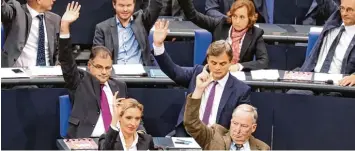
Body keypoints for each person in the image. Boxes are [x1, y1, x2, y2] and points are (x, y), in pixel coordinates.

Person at [59, 2, 145, 138]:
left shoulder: (119, 86)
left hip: (115, 142)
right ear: (89, 65)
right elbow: (65, 59)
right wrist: (64, 26)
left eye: (107, 68)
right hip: (86, 140)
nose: (104, 72)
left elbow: (131, 113)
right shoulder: (79, 81)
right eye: (99, 67)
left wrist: (141, 134)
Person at [152, 19, 251, 137]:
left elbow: (240, 125)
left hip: (217, 141)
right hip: (188, 135)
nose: (217, 68)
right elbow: (174, 71)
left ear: (230, 62)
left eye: (223, 64)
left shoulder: (241, 90)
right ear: (208, 60)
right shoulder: (197, 73)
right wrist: (158, 46)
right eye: (214, 63)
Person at [184, 71, 270, 150]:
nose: (237, 130)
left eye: (244, 126)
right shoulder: (214, 137)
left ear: (253, 128)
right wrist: (198, 90)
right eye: (235, 123)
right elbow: (191, 123)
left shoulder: (263, 148)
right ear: (231, 121)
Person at [178, 0, 269, 72]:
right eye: (234, 16)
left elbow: (263, 61)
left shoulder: (256, 33)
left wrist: (239, 66)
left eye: (242, 17)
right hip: (212, 73)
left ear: (250, 18)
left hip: (236, 79)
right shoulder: (219, 25)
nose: (237, 21)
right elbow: (193, 15)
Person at [289, 0, 355, 95]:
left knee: (331, 99)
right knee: (294, 94)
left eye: (350, 10)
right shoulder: (335, 17)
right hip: (313, 79)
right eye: (342, 8)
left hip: (338, 86)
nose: (344, 13)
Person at [92, 0, 162, 66]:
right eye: (121, 5)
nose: (125, 9)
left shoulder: (143, 22)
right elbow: (98, 56)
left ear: (134, 4)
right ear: (114, 4)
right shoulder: (102, 28)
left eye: (128, 5)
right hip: (114, 74)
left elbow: (156, 6)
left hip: (141, 74)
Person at [1, 0, 61, 67]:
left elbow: (59, 50)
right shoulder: (16, 12)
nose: (54, 0)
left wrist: (58, 65)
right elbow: (2, 9)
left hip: (49, 74)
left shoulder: (55, 19)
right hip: (21, 74)